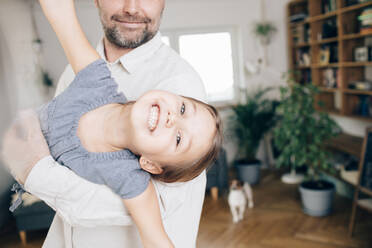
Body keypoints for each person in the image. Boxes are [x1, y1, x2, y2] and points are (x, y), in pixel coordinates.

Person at [8, 0, 222, 247]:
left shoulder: (181, 82)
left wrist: (32, 168)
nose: (132, 7)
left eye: (178, 138)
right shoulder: (85, 74)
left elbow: (152, 215)